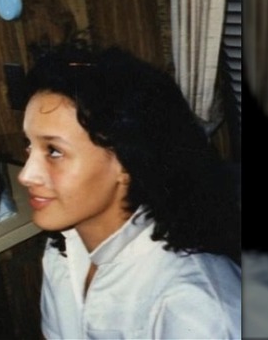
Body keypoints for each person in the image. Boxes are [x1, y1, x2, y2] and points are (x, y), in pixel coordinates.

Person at [18, 42, 241, 338]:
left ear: (126, 161)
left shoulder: (195, 306)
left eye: (54, 151)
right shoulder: (63, 252)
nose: (25, 175)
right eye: (29, 146)